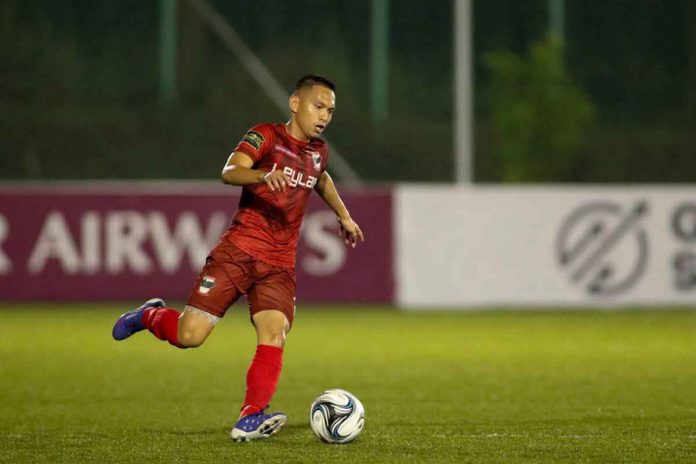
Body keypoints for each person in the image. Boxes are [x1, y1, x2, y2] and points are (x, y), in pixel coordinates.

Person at [111, 75, 364, 441]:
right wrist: (262, 176)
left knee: (274, 332)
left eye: (330, 110)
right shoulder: (265, 136)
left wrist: (343, 214)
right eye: (318, 106)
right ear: (295, 103)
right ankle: (149, 314)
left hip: (278, 264)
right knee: (190, 336)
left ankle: (250, 415)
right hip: (238, 253)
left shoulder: (318, 151)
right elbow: (229, 171)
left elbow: (320, 178)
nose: (324, 116)